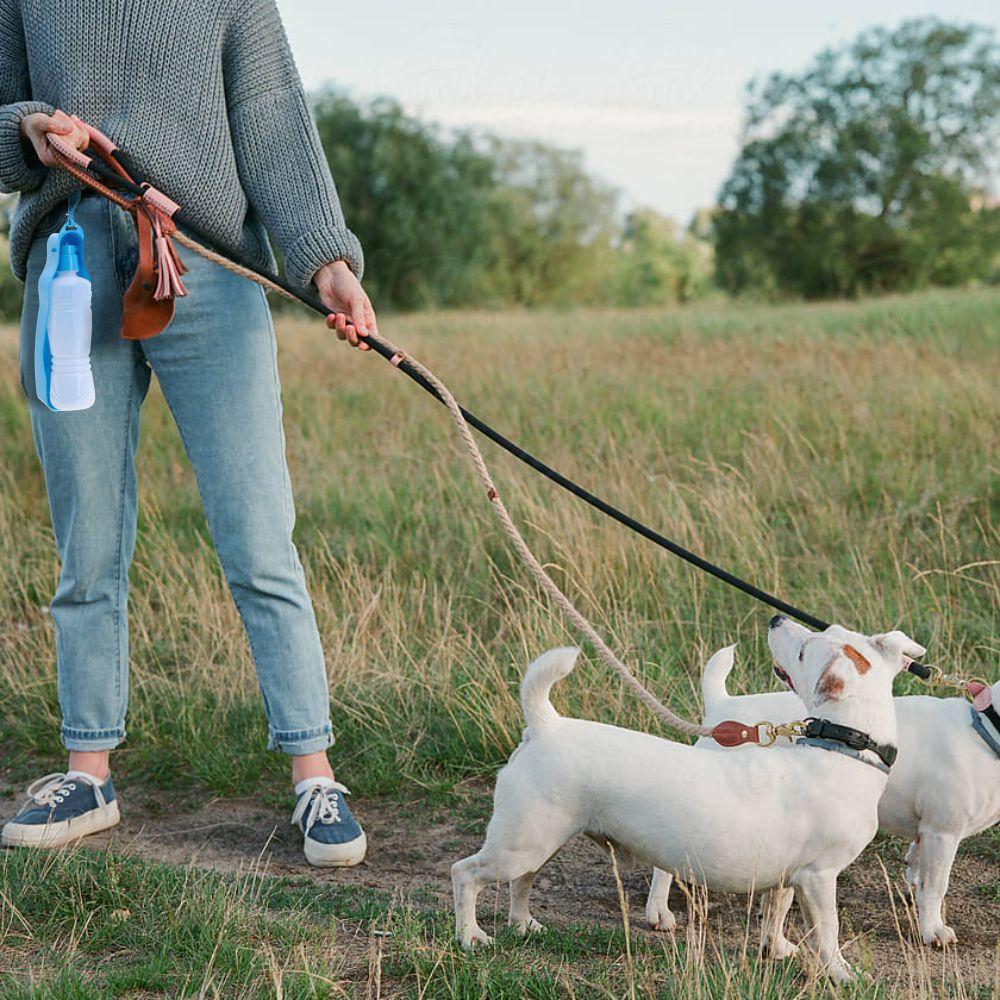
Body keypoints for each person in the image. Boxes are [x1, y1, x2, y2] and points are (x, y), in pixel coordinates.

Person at [0, 0, 374, 867]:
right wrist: (29, 129)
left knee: (258, 535)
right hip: (69, 267)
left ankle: (314, 775)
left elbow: (275, 124)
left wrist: (326, 260)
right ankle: (88, 774)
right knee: (85, 541)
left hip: (207, 262)